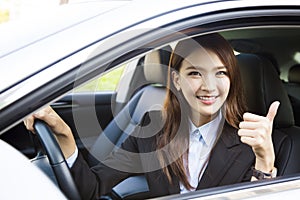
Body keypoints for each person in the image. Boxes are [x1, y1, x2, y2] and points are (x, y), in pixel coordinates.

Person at [24, 33, 280, 199]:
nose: (209, 86)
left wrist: (264, 160)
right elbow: (91, 189)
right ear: (176, 81)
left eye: (221, 73)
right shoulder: (153, 131)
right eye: (195, 73)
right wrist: (64, 135)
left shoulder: (252, 141)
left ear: (232, 79)